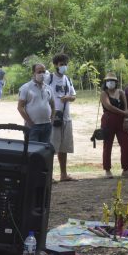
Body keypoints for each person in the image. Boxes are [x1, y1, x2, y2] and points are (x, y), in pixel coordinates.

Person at [48, 54, 79, 182]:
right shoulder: (49, 78)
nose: (64, 66)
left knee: (64, 147)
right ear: (56, 65)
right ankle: (48, 175)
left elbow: (73, 96)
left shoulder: (67, 79)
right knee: (51, 147)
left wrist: (68, 97)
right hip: (53, 117)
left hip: (66, 117)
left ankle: (63, 174)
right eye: (61, 64)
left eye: (65, 64)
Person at [100, 73, 128, 178]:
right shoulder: (104, 94)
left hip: (121, 121)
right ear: (105, 82)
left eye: (113, 81)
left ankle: (126, 169)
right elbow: (109, 106)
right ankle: (107, 170)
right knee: (107, 145)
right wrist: (123, 113)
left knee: (126, 144)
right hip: (108, 120)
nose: (111, 82)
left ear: (116, 82)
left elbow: (126, 108)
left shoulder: (121, 92)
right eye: (108, 81)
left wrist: (126, 119)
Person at [17, 63, 54, 144]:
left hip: (47, 125)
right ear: (33, 73)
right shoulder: (25, 88)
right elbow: (20, 107)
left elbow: (53, 105)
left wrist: (52, 119)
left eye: (44, 72)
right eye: (39, 72)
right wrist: (29, 122)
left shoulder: (49, 88)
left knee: (44, 149)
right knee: (32, 149)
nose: (42, 74)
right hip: (33, 126)